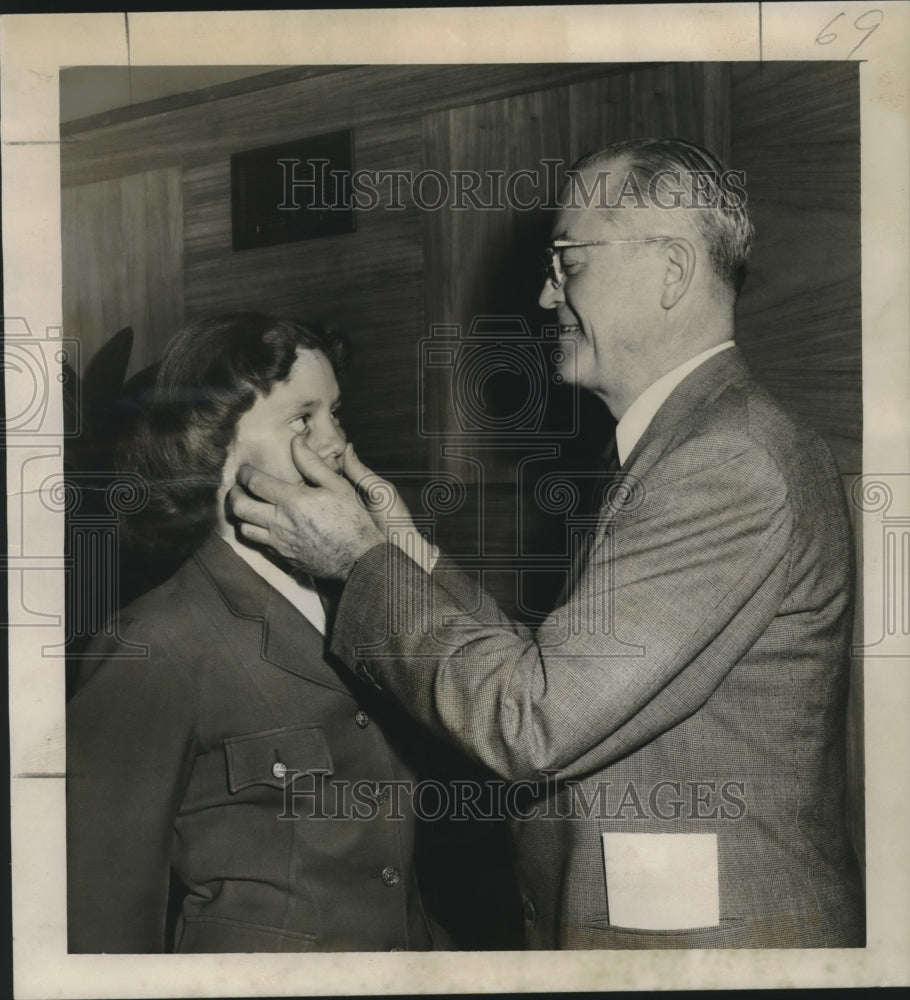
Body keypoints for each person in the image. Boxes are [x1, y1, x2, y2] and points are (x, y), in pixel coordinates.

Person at [228, 139, 866, 949]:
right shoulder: (687, 443)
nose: (542, 294)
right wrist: (409, 555)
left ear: (670, 270)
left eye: (568, 262)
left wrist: (360, 561)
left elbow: (530, 721)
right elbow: (558, 673)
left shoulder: (726, 462)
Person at [66, 313, 441, 953]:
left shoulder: (364, 592)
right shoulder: (155, 642)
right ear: (214, 445)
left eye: (335, 413)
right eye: (303, 419)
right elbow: (101, 913)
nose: (337, 443)